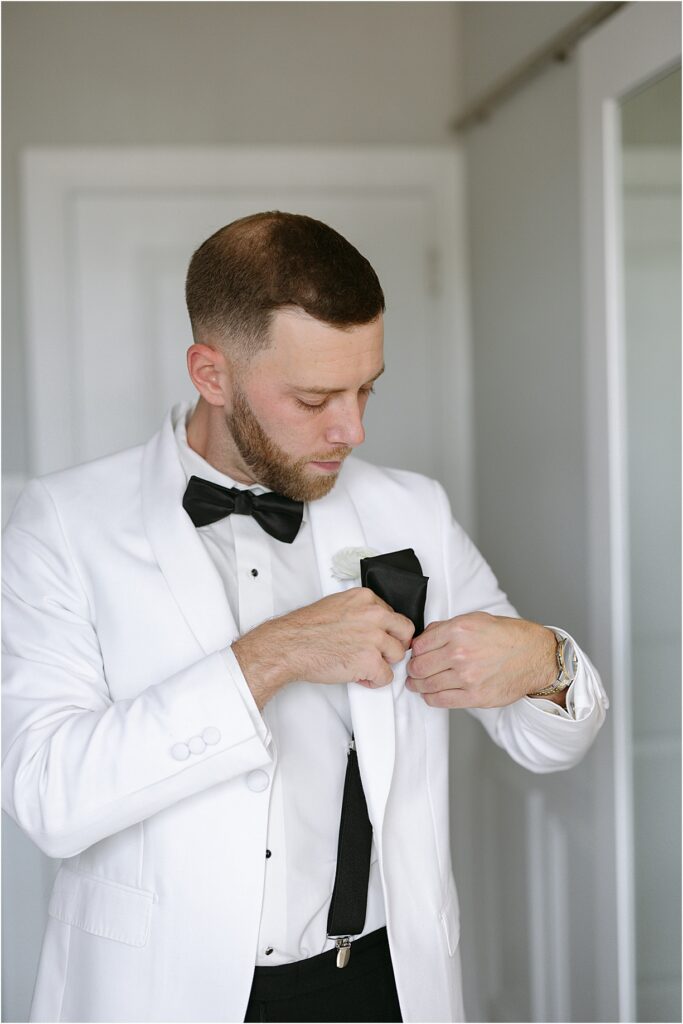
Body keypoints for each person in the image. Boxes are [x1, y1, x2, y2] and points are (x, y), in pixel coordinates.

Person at [2, 211, 608, 1024]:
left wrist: (546, 662)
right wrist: (269, 656)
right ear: (210, 374)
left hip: (381, 984)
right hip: (159, 993)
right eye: (314, 398)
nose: (351, 430)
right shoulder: (62, 523)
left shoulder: (412, 510)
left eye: (366, 389)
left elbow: (542, 742)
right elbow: (50, 798)